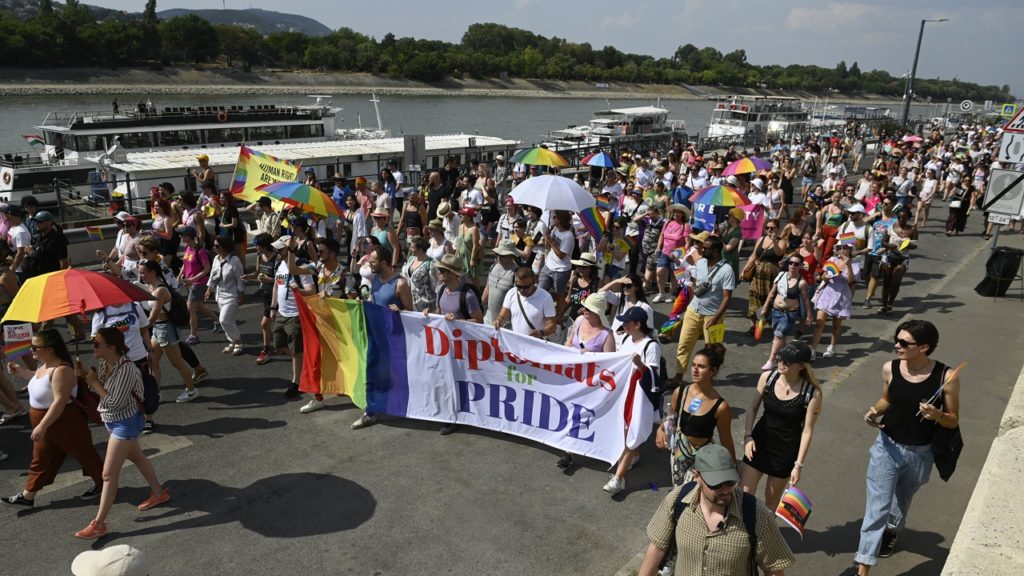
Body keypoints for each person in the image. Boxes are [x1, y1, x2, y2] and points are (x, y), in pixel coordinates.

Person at [847, 320, 959, 576]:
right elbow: (887, 398)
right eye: (896, 340)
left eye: (903, 343)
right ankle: (863, 567)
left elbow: (954, 419)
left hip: (922, 453)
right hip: (887, 446)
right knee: (877, 508)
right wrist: (874, 411)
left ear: (924, 347)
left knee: (900, 502)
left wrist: (937, 415)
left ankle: (892, 530)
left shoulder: (947, 377)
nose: (896, 345)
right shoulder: (890, 368)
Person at [637, 444, 796, 576]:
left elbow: (773, 569)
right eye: (716, 484)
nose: (725, 489)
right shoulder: (677, 501)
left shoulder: (756, 515)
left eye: (730, 481)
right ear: (697, 476)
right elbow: (656, 550)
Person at [71, 328, 170, 539]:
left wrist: (94, 382)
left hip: (124, 422)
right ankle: (159, 494)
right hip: (114, 420)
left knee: (108, 475)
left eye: (96, 344)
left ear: (111, 347)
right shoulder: (104, 364)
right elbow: (100, 394)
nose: (92, 347)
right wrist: (86, 378)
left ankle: (98, 524)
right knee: (138, 457)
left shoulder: (126, 369)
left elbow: (115, 402)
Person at [2, 329, 103, 508]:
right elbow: (39, 379)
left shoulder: (62, 370)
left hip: (63, 420)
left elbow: (59, 402)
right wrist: (22, 372)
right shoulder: (45, 365)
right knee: (42, 458)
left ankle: (104, 484)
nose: (31, 350)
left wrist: (42, 426)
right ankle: (28, 496)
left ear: (49, 349)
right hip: (49, 421)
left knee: (84, 453)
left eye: (35, 347)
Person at [740, 341, 822, 512]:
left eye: (787, 361)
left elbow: (807, 431)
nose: (781, 362)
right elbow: (752, 408)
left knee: (771, 500)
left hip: (785, 450)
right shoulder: (768, 378)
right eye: (780, 357)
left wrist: (798, 465)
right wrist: (748, 437)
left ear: (801, 366)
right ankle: (743, 534)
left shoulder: (811, 393)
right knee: (744, 494)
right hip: (759, 442)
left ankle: (764, 535)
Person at [602, 307, 658, 495]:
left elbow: (653, 377)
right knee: (625, 431)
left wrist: (640, 365)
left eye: (627, 322)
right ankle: (634, 455)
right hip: (623, 392)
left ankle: (618, 478)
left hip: (638, 396)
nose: (623, 325)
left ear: (637, 325)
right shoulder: (626, 339)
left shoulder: (651, 346)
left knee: (629, 433)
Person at [671, 236, 735, 386]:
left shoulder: (727, 270)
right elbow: (695, 284)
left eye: (706, 248)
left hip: (713, 316)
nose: (702, 249)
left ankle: (708, 379)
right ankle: (678, 377)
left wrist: (715, 318)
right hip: (693, 312)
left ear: (716, 251)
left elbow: (727, 298)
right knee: (684, 345)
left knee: (711, 350)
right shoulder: (700, 263)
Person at [138, 260, 200, 403]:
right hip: (158, 329)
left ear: (152, 272)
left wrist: (139, 329)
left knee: (176, 362)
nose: (141, 276)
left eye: (143, 272)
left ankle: (192, 390)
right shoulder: (150, 287)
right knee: (152, 361)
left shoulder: (160, 290)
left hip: (166, 329)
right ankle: (156, 393)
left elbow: (153, 316)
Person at [270, 237, 317, 399]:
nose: (277, 252)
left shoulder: (302, 266)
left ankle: (296, 382)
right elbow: (277, 286)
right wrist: (273, 307)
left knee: (296, 350)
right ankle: (305, 364)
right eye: (276, 249)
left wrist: (299, 290)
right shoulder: (279, 264)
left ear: (289, 249)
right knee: (278, 344)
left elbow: (311, 291)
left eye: (280, 249)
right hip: (282, 313)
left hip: (296, 315)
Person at [758, 255, 813, 372]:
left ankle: (771, 360)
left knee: (778, 335)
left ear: (800, 266)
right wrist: (765, 307)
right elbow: (772, 293)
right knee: (779, 337)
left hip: (789, 314)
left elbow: (806, 300)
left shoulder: (801, 282)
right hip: (776, 311)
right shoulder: (781, 276)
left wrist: (809, 314)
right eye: (791, 263)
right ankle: (785, 356)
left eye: (796, 264)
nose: (793, 265)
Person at [809, 243, 858, 359]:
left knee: (836, 324)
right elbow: (824, 274)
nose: (842, 250)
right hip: (828, 292)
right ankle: (813, 349)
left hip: (842, 295)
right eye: (840, 248)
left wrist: (849, 266)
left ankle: (832, 347)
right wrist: (825, 277)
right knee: (819, 323)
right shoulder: (833, 259)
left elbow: (851, 281)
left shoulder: (855, 264)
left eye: (845, 248)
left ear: (850, 250)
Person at [176, 226, 219, 343]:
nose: (179, 236)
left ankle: (193, 335)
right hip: (190, 282)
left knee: (191, 308)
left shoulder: (200, 251)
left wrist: (193, 279)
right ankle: (217, 321)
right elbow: (185, 264)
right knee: (198, 305)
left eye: (181, 234)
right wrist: (180, 275)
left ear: (188, 236)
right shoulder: (187, 248)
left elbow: (206, 269)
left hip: (199, 283)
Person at [743, 219, 786, 335]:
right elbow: (753, 256)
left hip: (772, 275)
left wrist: (774, 241)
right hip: (757, 275)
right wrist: (745, 269)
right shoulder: (761, 239)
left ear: (777, 229)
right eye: (767, 227)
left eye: (772, 228)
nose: (769, 230)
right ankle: (753, 325)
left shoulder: (781, 241)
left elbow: (779, 254)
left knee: (769, 299)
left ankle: (763, 321)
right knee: (753, 297)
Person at [205, 235, 246, 356]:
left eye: (217, 246)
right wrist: (209, 290)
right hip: (220, 295)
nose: (214, 248)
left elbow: (240, 280)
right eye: (214, 245)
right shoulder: (216, 259)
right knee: (229, 321)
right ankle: (232, 342)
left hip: (232, 296)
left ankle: (239, 341)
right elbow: (213, 275)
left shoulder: (235, 260)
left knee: (223, 320)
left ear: (224, 246)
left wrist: (241, 294)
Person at [493, 266, 557, 339]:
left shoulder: (545, 297)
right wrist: (498, 321)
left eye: (526, 287)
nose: (522, 290)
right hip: (516, 343)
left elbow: (552, 324)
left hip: (536, 345)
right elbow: (502, 316)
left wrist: (541, 332)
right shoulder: (512, 293)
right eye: (518, 286)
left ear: (534, 282)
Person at [430, 254, 482, 324]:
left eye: (441, 270)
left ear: (452, 274)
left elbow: (479, 321)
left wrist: (458, 320)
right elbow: (438, 312)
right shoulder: (440, 290)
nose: (438, 272)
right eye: (438, 269)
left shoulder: (468, 295)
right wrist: (429, 314)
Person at [538, 211, 575, 305]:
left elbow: (561, 255)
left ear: (560, 220)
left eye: (554, 217)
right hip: (548, 266)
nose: (552, 219)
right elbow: (549, 247)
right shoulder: (554, 229)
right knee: (539, 291)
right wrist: (547, 238)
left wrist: (551, 242)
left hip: (561, 270)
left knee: (559, 296)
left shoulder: (568, 236)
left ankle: (558, 317)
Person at [482, 240, 519, 324]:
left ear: (511, 256)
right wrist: (480, 306)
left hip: (506, 322)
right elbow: (488, 288)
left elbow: (515, 300)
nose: (499, 257)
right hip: (488, 316)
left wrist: (501, 319)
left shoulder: (516, 273)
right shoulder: (493, 266)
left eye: (502, 255)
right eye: (497, 254)